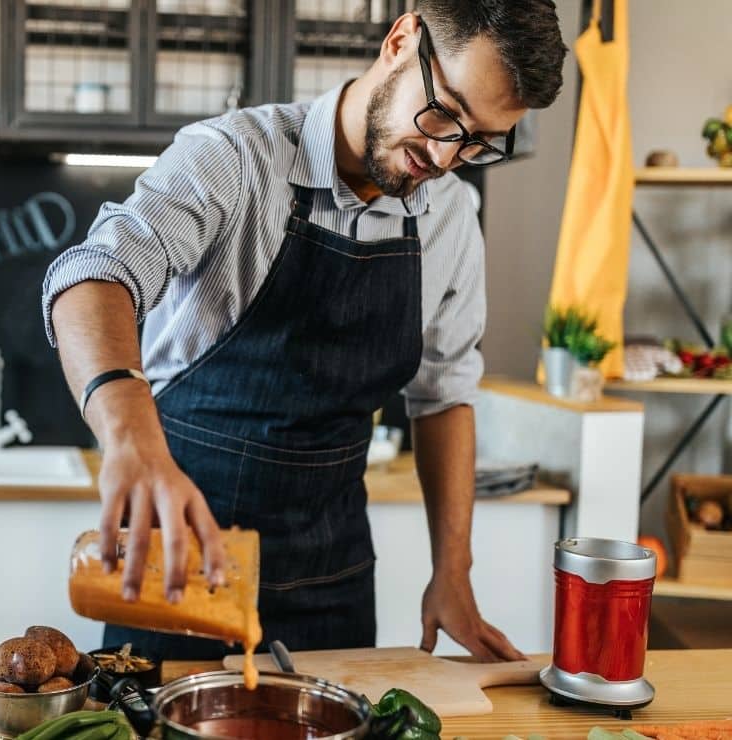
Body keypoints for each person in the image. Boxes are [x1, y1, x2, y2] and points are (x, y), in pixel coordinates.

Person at [41, 0, 568, 660]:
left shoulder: (450, 216)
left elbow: (444, 396)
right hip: (175, 571)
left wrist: (452, 573)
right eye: (445, 114)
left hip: (333, 584)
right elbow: (94, 276)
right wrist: (128, 437)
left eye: (477, 142)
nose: (443, 155)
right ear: (401, 40)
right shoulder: (232, 159)